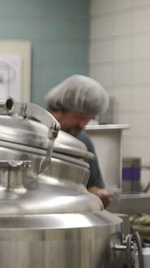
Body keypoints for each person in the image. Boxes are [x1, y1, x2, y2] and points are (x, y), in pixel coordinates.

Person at [44, 74, 114, 207]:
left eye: (88, 119)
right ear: (60, 108)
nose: (82, 125)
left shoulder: (83, 142)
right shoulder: (31, 133)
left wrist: (99, 196)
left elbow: (92, 186)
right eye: (80, 116)